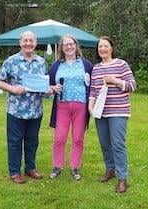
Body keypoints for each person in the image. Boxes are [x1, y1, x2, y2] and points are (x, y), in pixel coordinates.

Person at [0, 31, 46, 184]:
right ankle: (15, 171)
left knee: (32, 141)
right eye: (25, 40)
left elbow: (42, 84)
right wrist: (12, 89)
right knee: (15, 142)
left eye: (31, 40)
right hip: (16, 110)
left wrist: (48, 89)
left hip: (36, 110)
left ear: (35, 43)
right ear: (20, 43)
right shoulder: (11, 61)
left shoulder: (41, 62)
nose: (28, 43)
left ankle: (30, 168)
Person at [88, 36, 136, 193]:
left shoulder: (121, 64)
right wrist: (90, 106)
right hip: (101, 111)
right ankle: (110, 170)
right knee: (105, 144)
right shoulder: (96, 68)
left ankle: (123, 179)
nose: (102, 49)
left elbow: (132, 85)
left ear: (111, 48)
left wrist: (115, 81)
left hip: (118, 110)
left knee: (117, 144)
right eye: (100, 46)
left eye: (105, 46)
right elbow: (94, 90)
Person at [49, 34, 93, 180]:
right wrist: (53, 88)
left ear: (76, 46)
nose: (69, 46)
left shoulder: (85, 64)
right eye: (65, 44)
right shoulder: (56, 65)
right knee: (59, 138)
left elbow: (93, 85)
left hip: (81, 105)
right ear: (61, 48)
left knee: (78, 138)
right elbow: (49, 86)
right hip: (62, 105)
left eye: (71, 44)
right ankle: (57, 166)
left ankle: (75, 167)